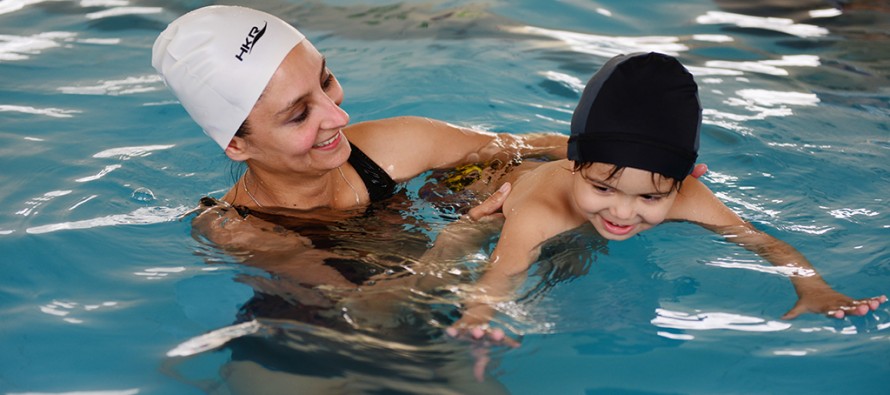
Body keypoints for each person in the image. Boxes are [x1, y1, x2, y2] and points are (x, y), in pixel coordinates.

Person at [440, 52, 887, 342]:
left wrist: (814, 287)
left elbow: (761, 242)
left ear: (687, 178)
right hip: (479, 190)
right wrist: (480, 313)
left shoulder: (690, 193)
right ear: (575, 163)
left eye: (649, 199)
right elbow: (506, 269)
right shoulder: (540, 210)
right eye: (602, 188)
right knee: (457, 241)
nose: (622, 212)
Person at [151, 5, 569, 252]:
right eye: (298, 114)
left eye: (326, 80)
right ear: (237, 144)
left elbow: (532, 146)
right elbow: (370, 313)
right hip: (317, 344)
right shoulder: (240, 229)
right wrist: (466, 235)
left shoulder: (394, 144)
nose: (338, 118)